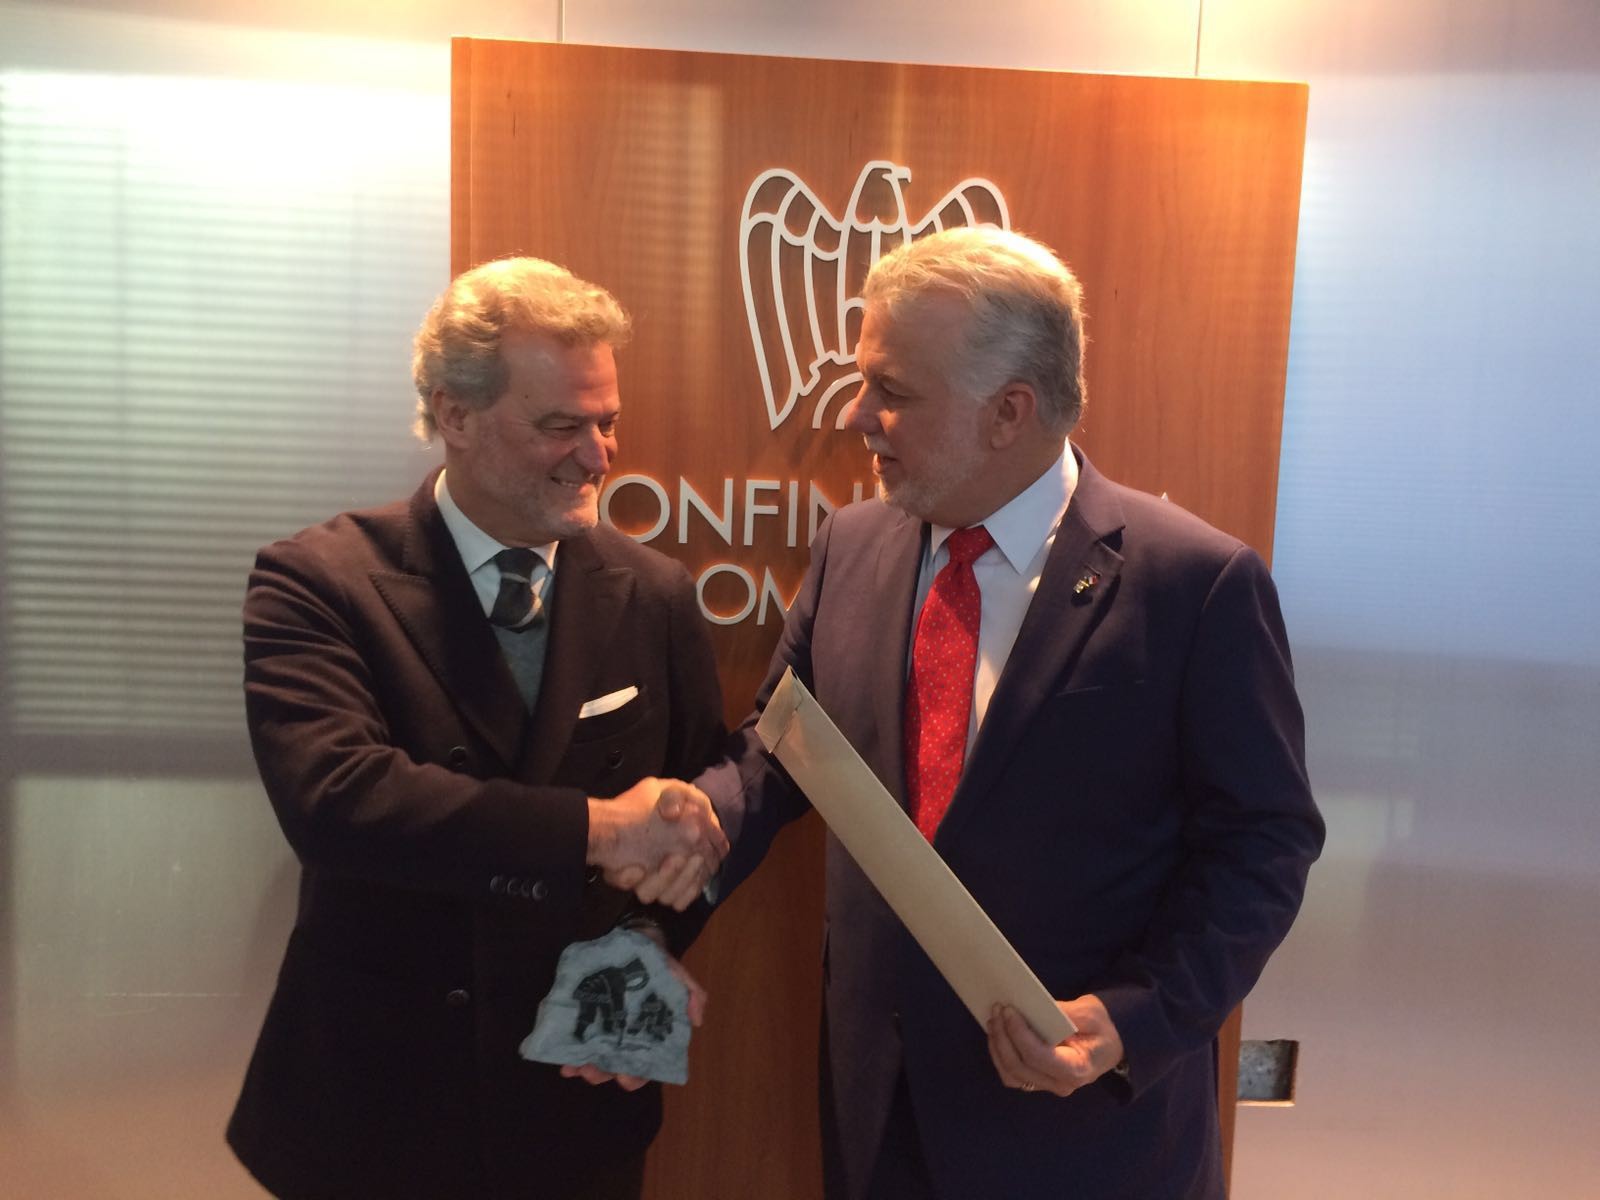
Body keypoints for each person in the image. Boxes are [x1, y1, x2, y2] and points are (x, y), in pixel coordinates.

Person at [672, 227, 1324, 1198]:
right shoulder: (852, 546)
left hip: (1083, 1134)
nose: (856, 416)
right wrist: (677, 845)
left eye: (891, 390)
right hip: (878, 1112)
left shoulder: (1194, 584)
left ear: (1009, 411)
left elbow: (1263, 844)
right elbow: (780, 755)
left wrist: (1134, 1017)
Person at [227, 256, 729, 1200]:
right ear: (454, 413)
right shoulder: (318, 581)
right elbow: (338, 801)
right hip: (376, 1105)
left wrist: (649, 938)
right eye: (561, 427)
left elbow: (694, 805)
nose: (598, 457)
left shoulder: (655, 593)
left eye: (607, 422)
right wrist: (597, 830)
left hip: (578, 1095)